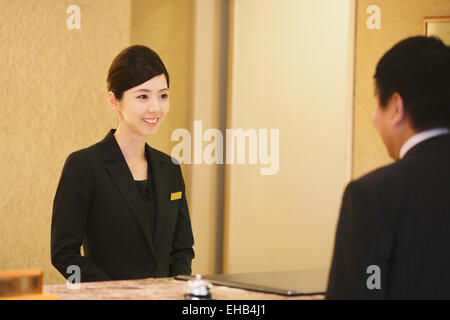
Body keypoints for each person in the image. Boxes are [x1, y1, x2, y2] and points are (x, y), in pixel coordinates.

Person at [51, 45, 195, 282]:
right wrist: (115, 294)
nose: (155, 107)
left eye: (163, 95)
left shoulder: (170, 168)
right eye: (142, 96)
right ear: (114, 101)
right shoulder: (84, 166)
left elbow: (182, 249)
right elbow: (64, 255)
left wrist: (171, 291)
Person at [326, 36, 450, 299]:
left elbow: (363, 290)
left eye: (375, 103)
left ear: (395, 107)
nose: (373, 116)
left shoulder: (373, 195)